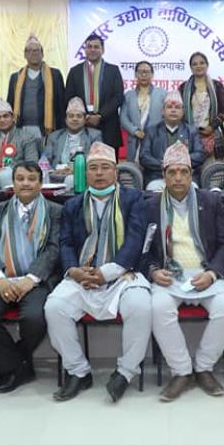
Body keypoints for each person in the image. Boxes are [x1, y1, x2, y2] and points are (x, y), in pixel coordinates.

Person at [43, 142, 152, 403]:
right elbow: (66, 243)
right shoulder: (73, 204)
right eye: (93, 168)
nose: (99, 173)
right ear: (85, 173)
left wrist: (107, 272)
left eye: (105, 168)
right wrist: (74, 271)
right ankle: (78, 371)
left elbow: (135, 240)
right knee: (54, 307)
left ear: (116, 172)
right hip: (83, 275)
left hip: (122, 274)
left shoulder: (133, 198)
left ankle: (125, 372)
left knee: (141, 306)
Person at [142, 142, 224, 401]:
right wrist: (153, 271)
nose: (178, 178)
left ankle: (204, 367)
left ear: (191, 175)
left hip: (206, 273)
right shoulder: (151, 205)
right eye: (172, 172)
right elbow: (144, 248)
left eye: (183, 172)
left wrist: (212, 274)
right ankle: (182, 371)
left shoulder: (211, 201)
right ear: (163, 176)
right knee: (158, 307)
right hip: (169, 275)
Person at [0, 161, 62, 393]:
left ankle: (13, 361)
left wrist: (31, 278)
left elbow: (53, 248)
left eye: (31, 179)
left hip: (36, 280)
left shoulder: (55, 211)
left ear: (40, 183)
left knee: (35, 318)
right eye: (20, 179)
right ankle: (17, 364)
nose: (25, 183)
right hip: (1, 276)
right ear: (13, 183)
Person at [65, 34, 125, 151]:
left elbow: (118, 97)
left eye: (96, 47)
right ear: (85, 50)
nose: (92, 50)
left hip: (108, 126)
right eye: (89, 47)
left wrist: (100, 115)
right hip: (81, 125)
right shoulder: (75, 71)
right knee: (81, 160)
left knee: (108, 161)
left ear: (103, 50)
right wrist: (84, 115)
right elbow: (69, 97)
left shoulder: (113, 70)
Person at [140, 89, 206, 191]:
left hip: (186, 177)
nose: (173, 110)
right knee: (154, 192)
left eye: (177, 107)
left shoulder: (191, 131)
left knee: (192, 190)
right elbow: (144, 156)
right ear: (163, 111)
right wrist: (164, 164)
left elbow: (200, 154)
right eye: (169, 107)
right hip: (158, 177)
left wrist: (180, 162)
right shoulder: (151, 130)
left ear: (183, 112)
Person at [7, 34, 66, 142]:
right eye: (29, 51)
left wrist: (61, 130)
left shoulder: (55, 75)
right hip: (21, 129)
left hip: (47, 130)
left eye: (36, 50)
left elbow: (61, 105)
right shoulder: (16, 77)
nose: (33, 53)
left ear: (42, 54)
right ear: (25, 55)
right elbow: (10, 105)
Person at [42, 97, 103, 188]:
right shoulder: (55, 136)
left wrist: (76, 170)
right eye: (71, 116)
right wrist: (54, 171)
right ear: (66, 120)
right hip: (57, 177)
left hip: (83, 176)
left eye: (79, 116)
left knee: (71, 179)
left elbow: (97, 160)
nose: (75, 119)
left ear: (85, 120)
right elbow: (45, 161)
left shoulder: (94, 135)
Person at [180, 51, 224, 164]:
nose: (199, 66)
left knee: (213, 170)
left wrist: (212, 127)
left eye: (202, 63)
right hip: (190, 135)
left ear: (207, 65)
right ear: (191, 68)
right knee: (190, 167)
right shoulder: (183, 88)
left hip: (212, 135)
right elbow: (180, 111)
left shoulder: (216, 86)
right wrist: (191, 130)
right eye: (195, 64)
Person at [120, 60, 166, 162]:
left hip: (155, 138)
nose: (144, 75)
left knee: (155, 166)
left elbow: (166, 116)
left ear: (152, 74)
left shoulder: (162, 94)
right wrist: (135, 131)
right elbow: (123, 118)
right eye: (140, 72)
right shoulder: (129, 95)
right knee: (134, 168)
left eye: (147, 72)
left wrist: (155, 132)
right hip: (135, 139)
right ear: (136, 74)